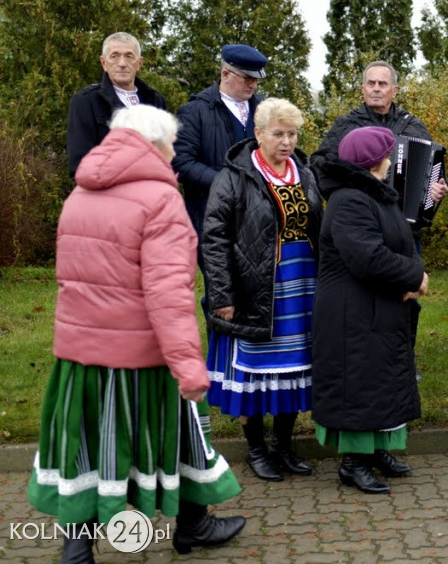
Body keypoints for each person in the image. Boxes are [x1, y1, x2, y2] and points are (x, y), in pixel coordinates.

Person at [28, 106, 244, 561]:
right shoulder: (160, 201)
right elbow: (169, 292)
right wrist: (188, 365)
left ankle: (76, 550)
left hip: (80, 357)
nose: (173, 154)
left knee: (84, 449)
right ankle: (193, 524)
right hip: (141, 360)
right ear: (155, 145)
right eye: (170, 144)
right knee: (183, 431)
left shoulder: (80, 195)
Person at [202, 98, 323, 481]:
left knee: (296, 366)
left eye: (292, 134)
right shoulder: (234, 176)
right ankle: (256, 449)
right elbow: (214, 239)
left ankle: (284, 447)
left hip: (302, 284)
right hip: (255, 287)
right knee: (255, 371)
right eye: (278, 134)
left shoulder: (303, 172)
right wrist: (222, 296)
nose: (287, 142)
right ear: (257, 134)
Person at [312, 126, 427, 495]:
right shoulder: (349, 200)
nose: (392, 159)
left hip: (380, 305)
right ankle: (353, 463)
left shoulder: (377, 195)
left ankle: (379, 450)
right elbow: (368, 258)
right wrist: (414, 276)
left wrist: (412, 275)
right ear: (371, 161)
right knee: (359, 383)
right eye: (387, 153)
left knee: (383, 379)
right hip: (353, 311)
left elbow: (402, 241)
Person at [310, 60, 448, 208]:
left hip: (405, 221)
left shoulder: (414, 126)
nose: (376, 89)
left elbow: (434, 171)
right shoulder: (346, 125)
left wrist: (437, 188)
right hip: (359, 214)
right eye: (371, 83)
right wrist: (349, 187)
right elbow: (319, 166)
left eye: (382, 84)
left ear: (394, 91)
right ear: (363, 89)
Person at [173, 44, 267, 236]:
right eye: (248, 78)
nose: (254, 85)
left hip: (260, 219)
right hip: (213, 220)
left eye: (256, 79)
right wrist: (225, 183)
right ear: (225, 74)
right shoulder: (193, 112)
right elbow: (181, 163)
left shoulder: (267, 110)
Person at [67, 32, 168, 177]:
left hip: (150, 194)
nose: (122, 63)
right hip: (106, 195)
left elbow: (165, 158)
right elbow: (80, 165)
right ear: (103, 63)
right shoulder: (85, 101)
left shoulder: (155, 101)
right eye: (114, 56)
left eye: (129, 56)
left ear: (139, 63)